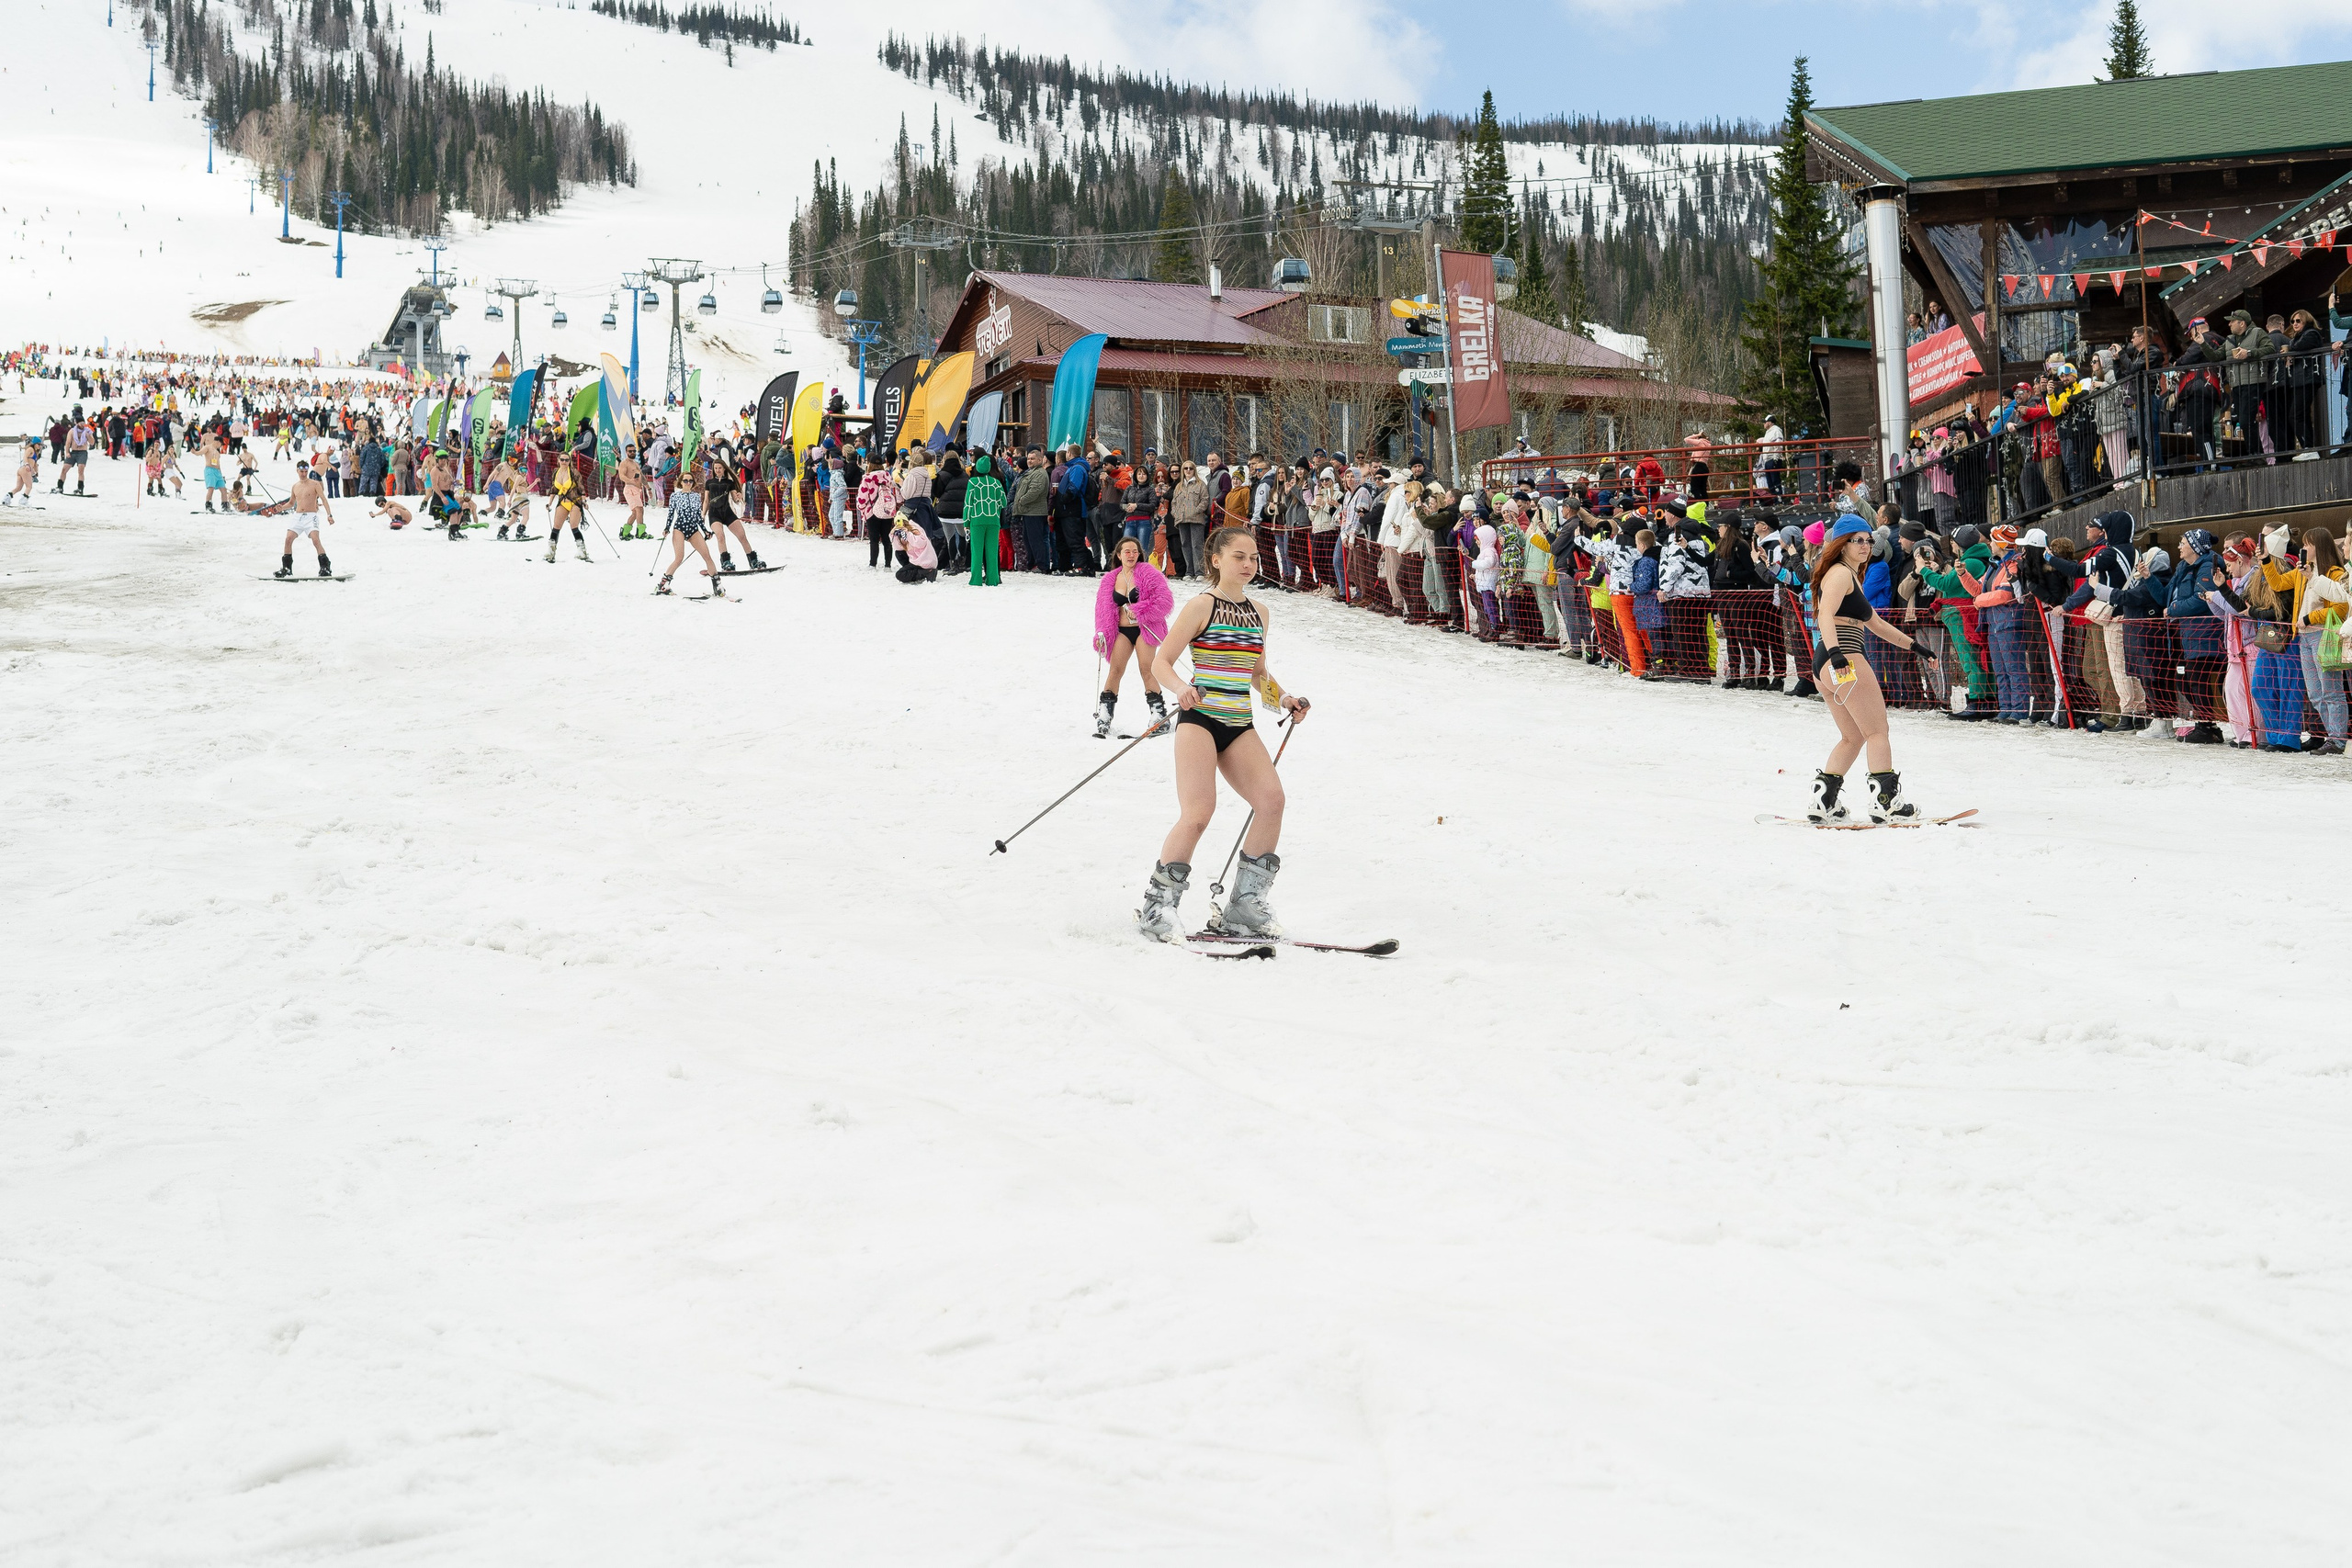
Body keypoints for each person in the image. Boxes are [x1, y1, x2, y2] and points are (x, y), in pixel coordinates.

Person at [1137, 526, 1312, 942]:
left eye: (1253, 557)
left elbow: (1256, 672)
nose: (1248, 564)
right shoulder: (1202, 605)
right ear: (1216, 560)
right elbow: (1162, 662)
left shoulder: (1259, 612)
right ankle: (1157, 908)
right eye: (1239, 556)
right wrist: (1181, 689)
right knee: (1199, 812)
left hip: (1239, 722)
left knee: (1271, 801)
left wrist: (1284, 698)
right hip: (1201, 719)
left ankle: (1244, 907)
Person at [1806, 515, 1937, 822]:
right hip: (1844, 657)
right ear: (1841, 544)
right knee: (1878, 731)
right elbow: (1825, 615)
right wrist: (1838, 653)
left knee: (1852, 737)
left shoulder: (1848, 575)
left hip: (1826, 663)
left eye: (1869, 540)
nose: (1866, 546)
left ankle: (1824, 803)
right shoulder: (1840, 573)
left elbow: (1875, 623)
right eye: (1858, 540)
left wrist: (1914, 646)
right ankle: (1886, 803)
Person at [1092, 536, 1174, 738]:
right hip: (1121, 631)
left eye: (1135, 551)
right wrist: (1101, 632)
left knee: (1147, 669)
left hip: (1145, 629)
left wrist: (1139, 610)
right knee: (1116, 670)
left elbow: (1164, 601)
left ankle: (1159, 715)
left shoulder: (1149, 573)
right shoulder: (1110, 579)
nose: (1131, 555)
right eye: (1127, 552)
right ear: (1119, 555)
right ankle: (1105, 714)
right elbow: (1102, 609)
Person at [655, 473, 725, 597]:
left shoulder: (696, 496)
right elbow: (671, 514)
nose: (688, 483)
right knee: (679, 557)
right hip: (680, 528)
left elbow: (698, 516)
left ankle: (717, 585)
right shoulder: (675, 496)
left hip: (693, 529)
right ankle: (663, 585)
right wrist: (667, 528)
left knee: (707, 556)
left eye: (690, 481)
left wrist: (705, 531)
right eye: (685, 480)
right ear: (681, 482)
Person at [275, 463, 337, 578]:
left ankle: (325, 567)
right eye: (301, 472)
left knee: (315, 540)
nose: (303, 474)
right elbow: (291, 503)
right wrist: (281, 507)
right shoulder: (295, 486)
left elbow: (323, 499)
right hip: (298, 516)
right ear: (297, 471)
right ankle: (287, 568)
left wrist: (329, 515)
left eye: (305, 472)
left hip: (311, 516)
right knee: (288, 539)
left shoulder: (314, 484)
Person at [707, 463, 764, 571]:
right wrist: (702, 514)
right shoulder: (709, 482)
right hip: (714, 513)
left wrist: (739, 497)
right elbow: (706, 500)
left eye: (720, 468)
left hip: (727, 512)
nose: (718, 470)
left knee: (742, 536)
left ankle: (753, 560)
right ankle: (725, 562)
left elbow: (735, 499)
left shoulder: (729, 482)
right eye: (716, 468)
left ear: (724, 469)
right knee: (720, 536)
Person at [962, 450, 1007, 586]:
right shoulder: (996, 482)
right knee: (992, 552)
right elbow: (1004, 502)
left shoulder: (973, 482)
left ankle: (976, 580)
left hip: (977, 519)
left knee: (977, 551)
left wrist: (966, 521)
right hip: (993, 520)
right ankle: (992, 579)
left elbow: (968, 503)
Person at [547, 454, 591, 563]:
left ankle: (582, 551)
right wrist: (550, 503)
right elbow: (554, 489)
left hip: (575, 501)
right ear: (558, 460)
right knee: (556, 527)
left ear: (569, 461)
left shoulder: (573, 472)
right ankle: (551, 552)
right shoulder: (556, 472)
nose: (564, 462)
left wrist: (584, 501)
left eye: (567, 460)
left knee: (574, 526)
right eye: (562, 460)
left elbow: (581, 487)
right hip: (562, 501)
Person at [889, 505, 938, 583]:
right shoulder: (901, 533)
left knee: (900, 574)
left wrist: (908, 534)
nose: (898, 524)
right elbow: (898, 548)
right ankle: (922, 572)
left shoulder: (915, 528)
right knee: (898, 554)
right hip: (916, 561)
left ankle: (927, 572)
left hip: (925, 560)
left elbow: (921, 544)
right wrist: (893, 535)